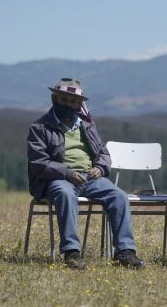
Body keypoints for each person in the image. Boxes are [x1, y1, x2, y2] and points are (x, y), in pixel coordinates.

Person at [27, 77, 145, 270]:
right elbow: (38, 163)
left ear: (80, 104)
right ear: (54, 98)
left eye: (73, 101)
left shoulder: (86, 125)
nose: (68, 104)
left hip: (89, 177)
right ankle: (72, 252)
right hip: (59, 179)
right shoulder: (39, 128)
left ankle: (125, 251)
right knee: (64, 194)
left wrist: (101, 167)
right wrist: (67, 172)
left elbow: (103, 152)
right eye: (64, 99)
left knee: (119, 196)